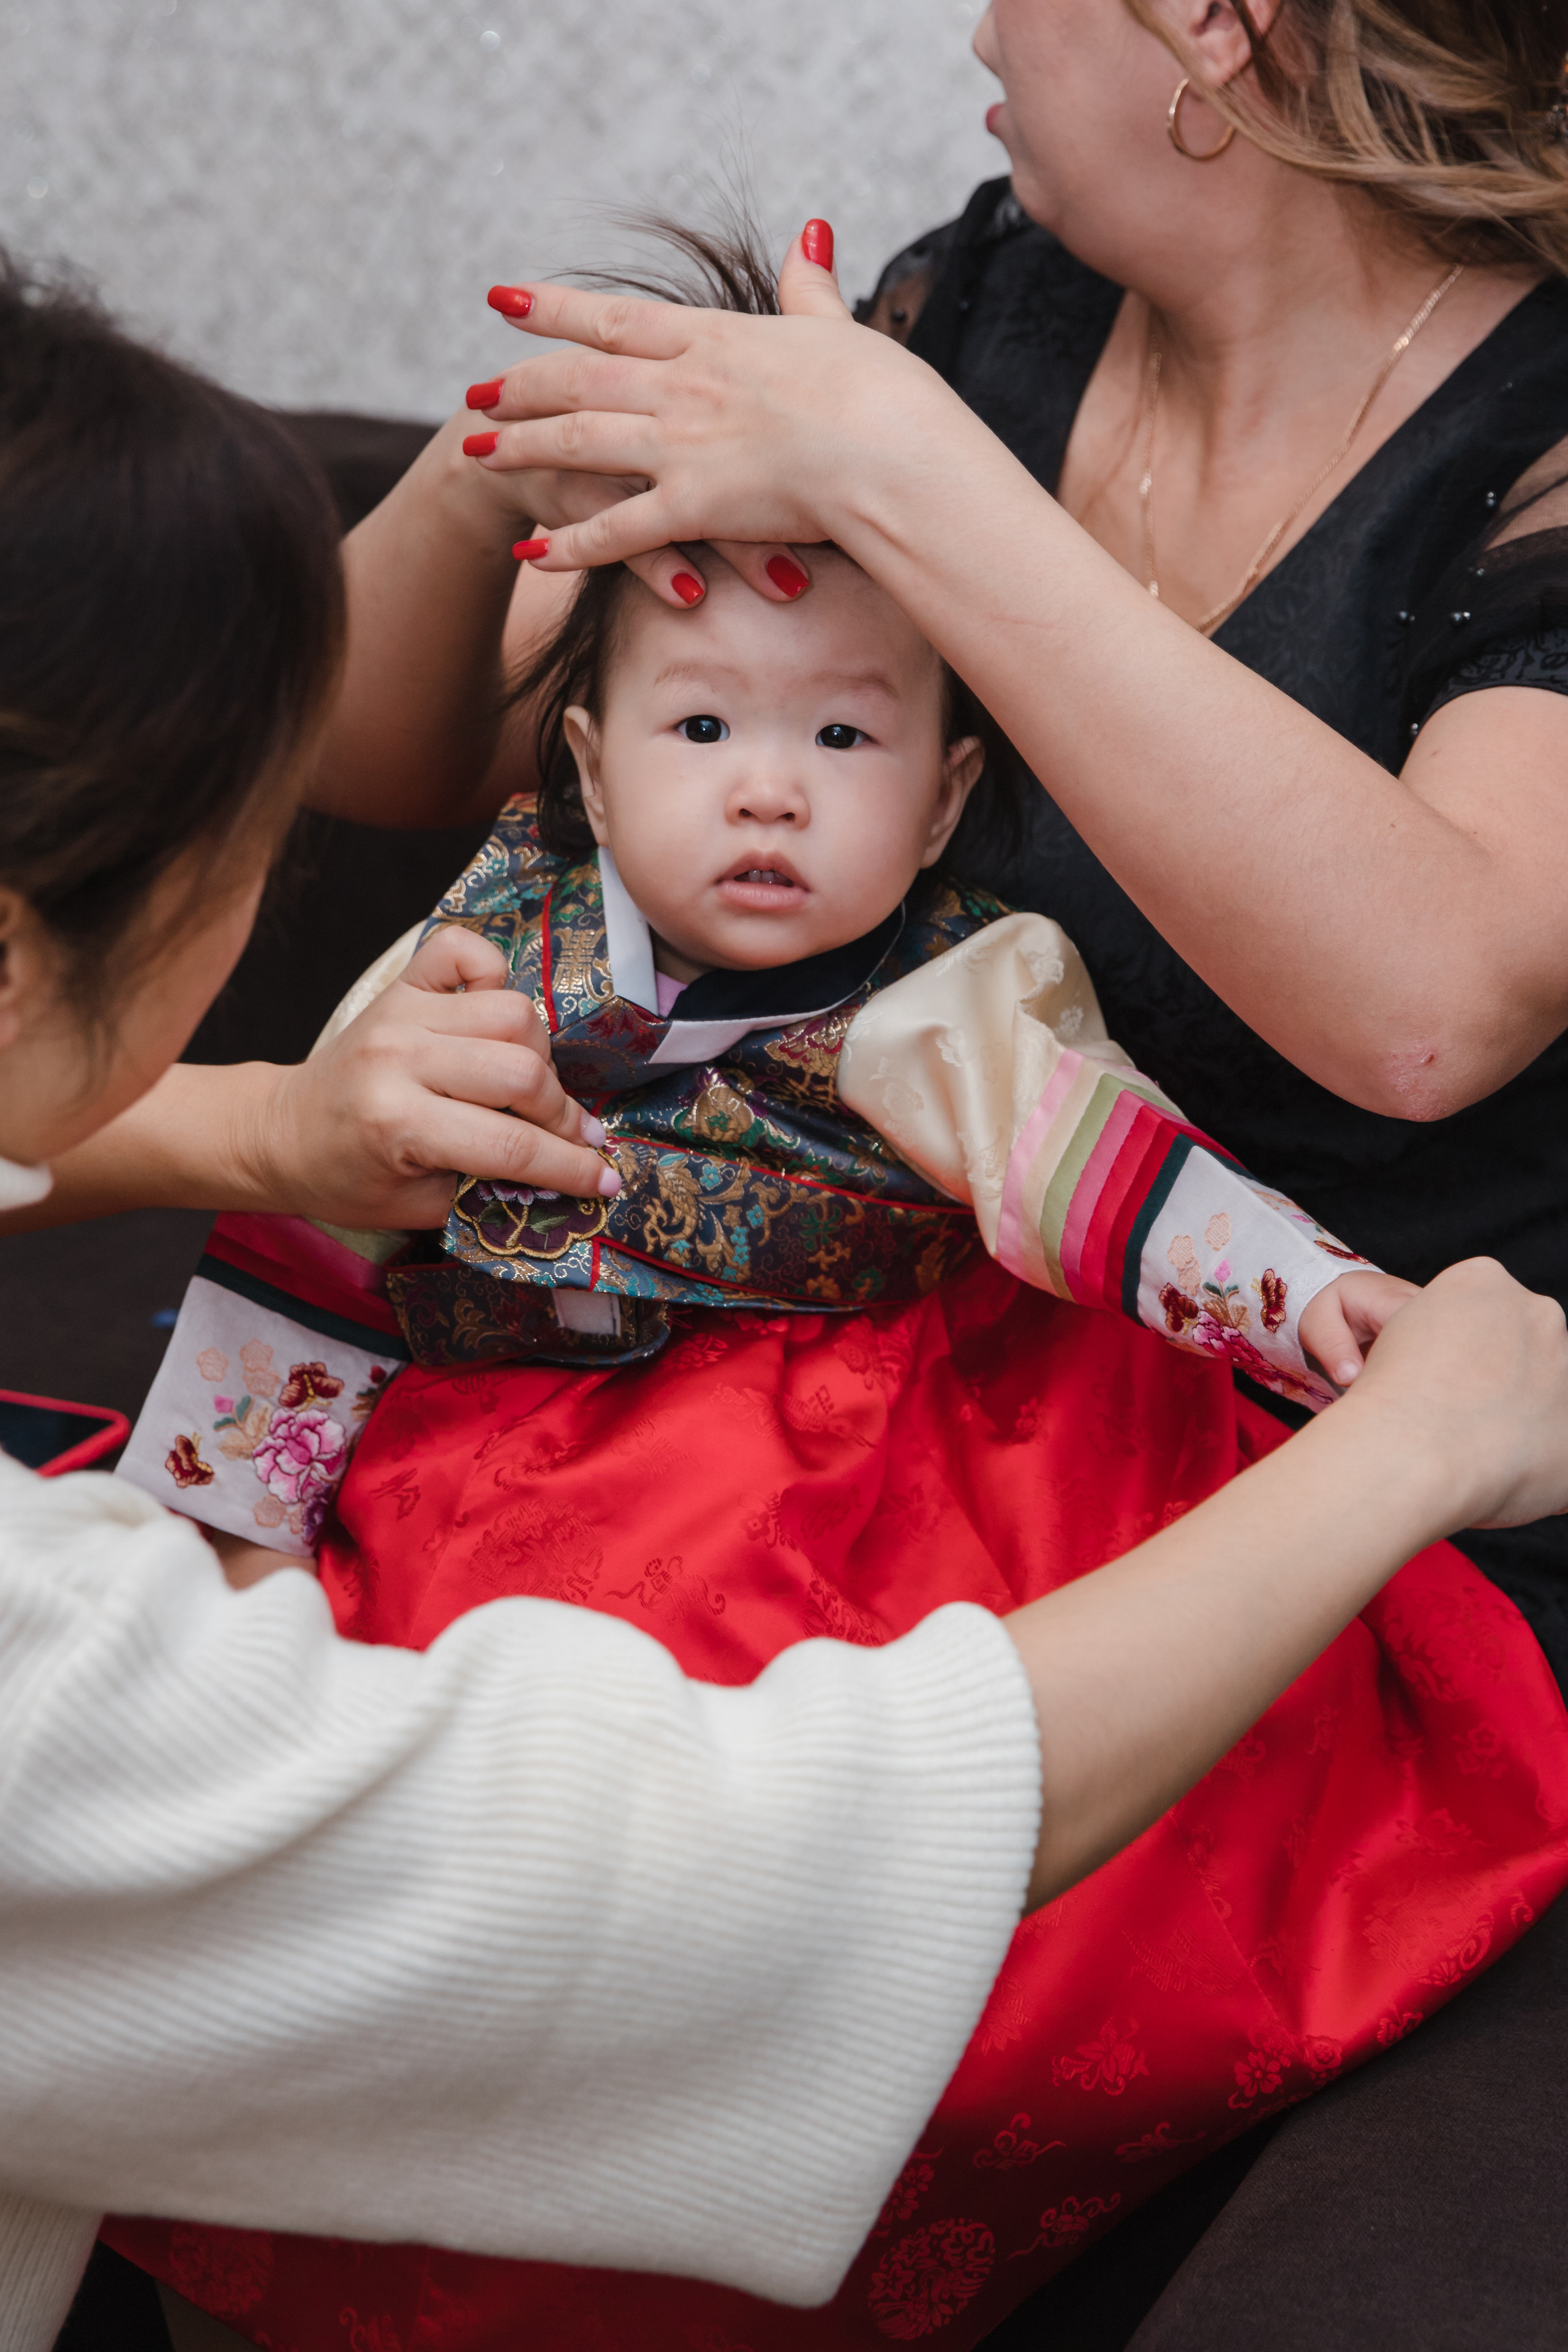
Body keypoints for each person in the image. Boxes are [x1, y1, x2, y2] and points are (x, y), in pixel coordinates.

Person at [104, 499, 1566, 2342]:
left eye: (844, 738)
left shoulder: (957, 992)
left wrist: (1314, 1301)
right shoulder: (470, 967)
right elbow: (306, 1244)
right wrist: (233, 1532)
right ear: (587, 754)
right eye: (703, 729)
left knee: (848, 1918)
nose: (770, 792)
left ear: (947, 800)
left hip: (843, 1466)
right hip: (489, 1429)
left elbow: (1115, 1184)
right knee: (361, 1838)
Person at [319, 1, 1568, 1702]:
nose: (980, 26)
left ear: (1217, 19)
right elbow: (398, 754)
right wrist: (500, 476)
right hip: (848, 1400)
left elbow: (1431, 1009)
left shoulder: (1537, 441)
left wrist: (910, 464)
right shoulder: (988, 303)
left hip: (1351, 1456)